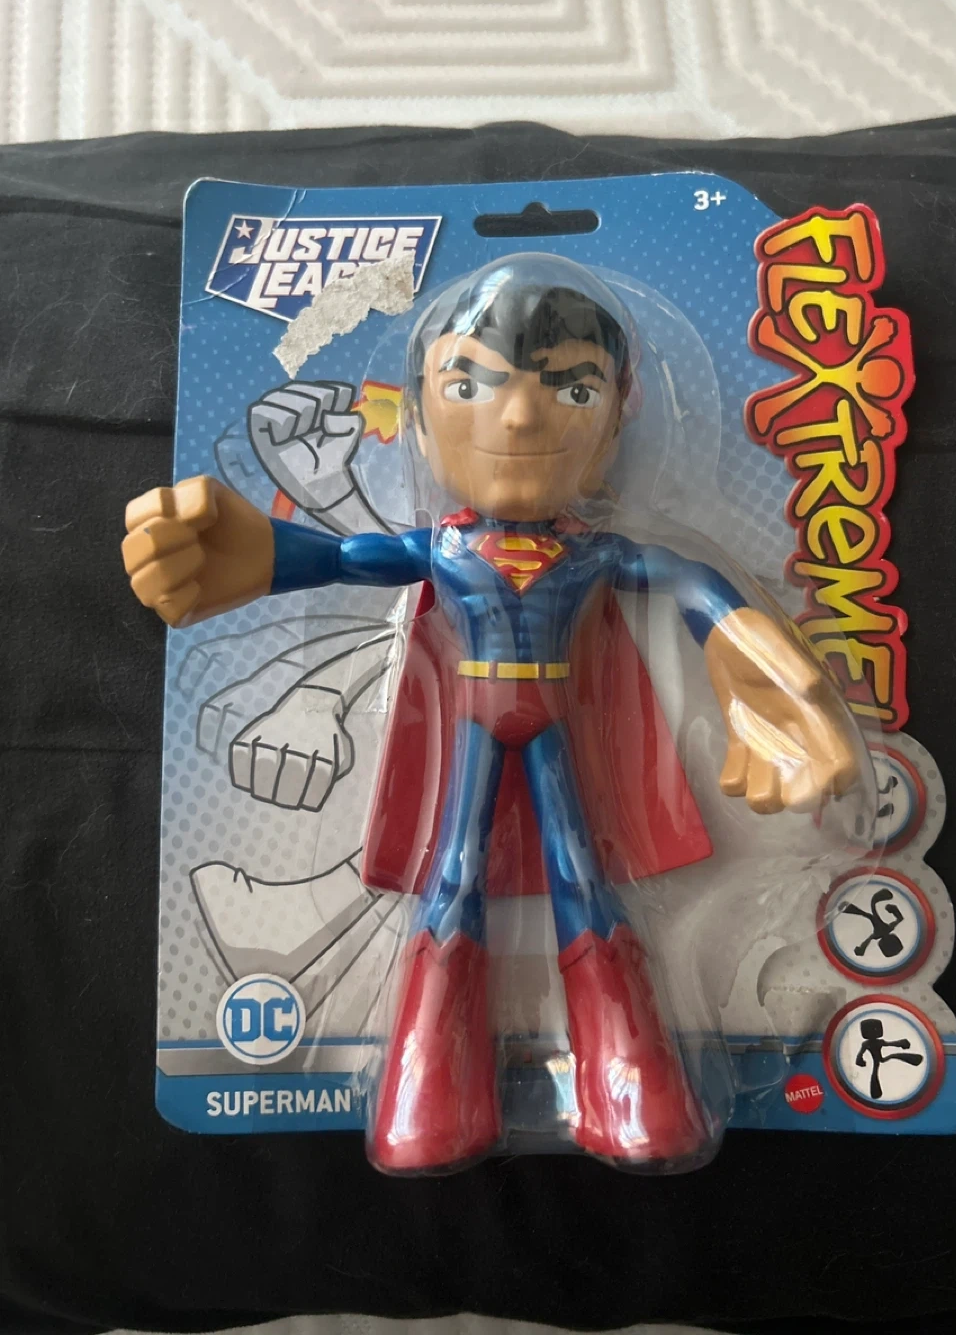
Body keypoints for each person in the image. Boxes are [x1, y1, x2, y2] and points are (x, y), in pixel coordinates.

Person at [123, 254, 863, 1173]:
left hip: (555, 721)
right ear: (420, 412)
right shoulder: (446, 547)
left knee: (583, 877)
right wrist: (262, 554)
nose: (517, 418)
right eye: (471, 382)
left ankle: (634, 1089)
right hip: (471, 720)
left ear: (619, 413)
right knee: (455, 874)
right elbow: (348, 558)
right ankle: (430, 1097)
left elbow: (692, 583)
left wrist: (760, 662)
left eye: (572, 387)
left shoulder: (593, 553)